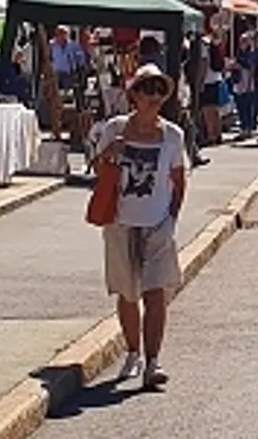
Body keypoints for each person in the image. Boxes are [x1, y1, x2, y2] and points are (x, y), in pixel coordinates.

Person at [90, 66, 189, 391]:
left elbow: (178, 178)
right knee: (128, 294)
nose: (154, 97)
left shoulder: (173, 135)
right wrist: (110, 152)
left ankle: (153, 361)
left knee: (156, 293)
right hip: (120, 222)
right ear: (134, 94)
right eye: (148, 89)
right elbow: (96, 167)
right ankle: (133, 352)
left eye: (160, 91)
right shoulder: (115, 128)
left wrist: (171, 219)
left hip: (157, 223)